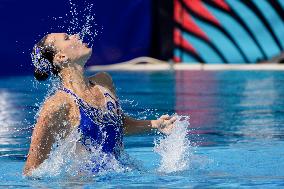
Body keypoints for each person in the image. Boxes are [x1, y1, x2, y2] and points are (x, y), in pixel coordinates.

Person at [23, 33, 177, 176]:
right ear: (61, 57)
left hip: (122, 174)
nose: (76, 36)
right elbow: (32, 169)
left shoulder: (104, 82)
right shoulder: (57, 104)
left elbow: (119, 125)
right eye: (67, 38)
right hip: (85, 182)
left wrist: (155, 124)